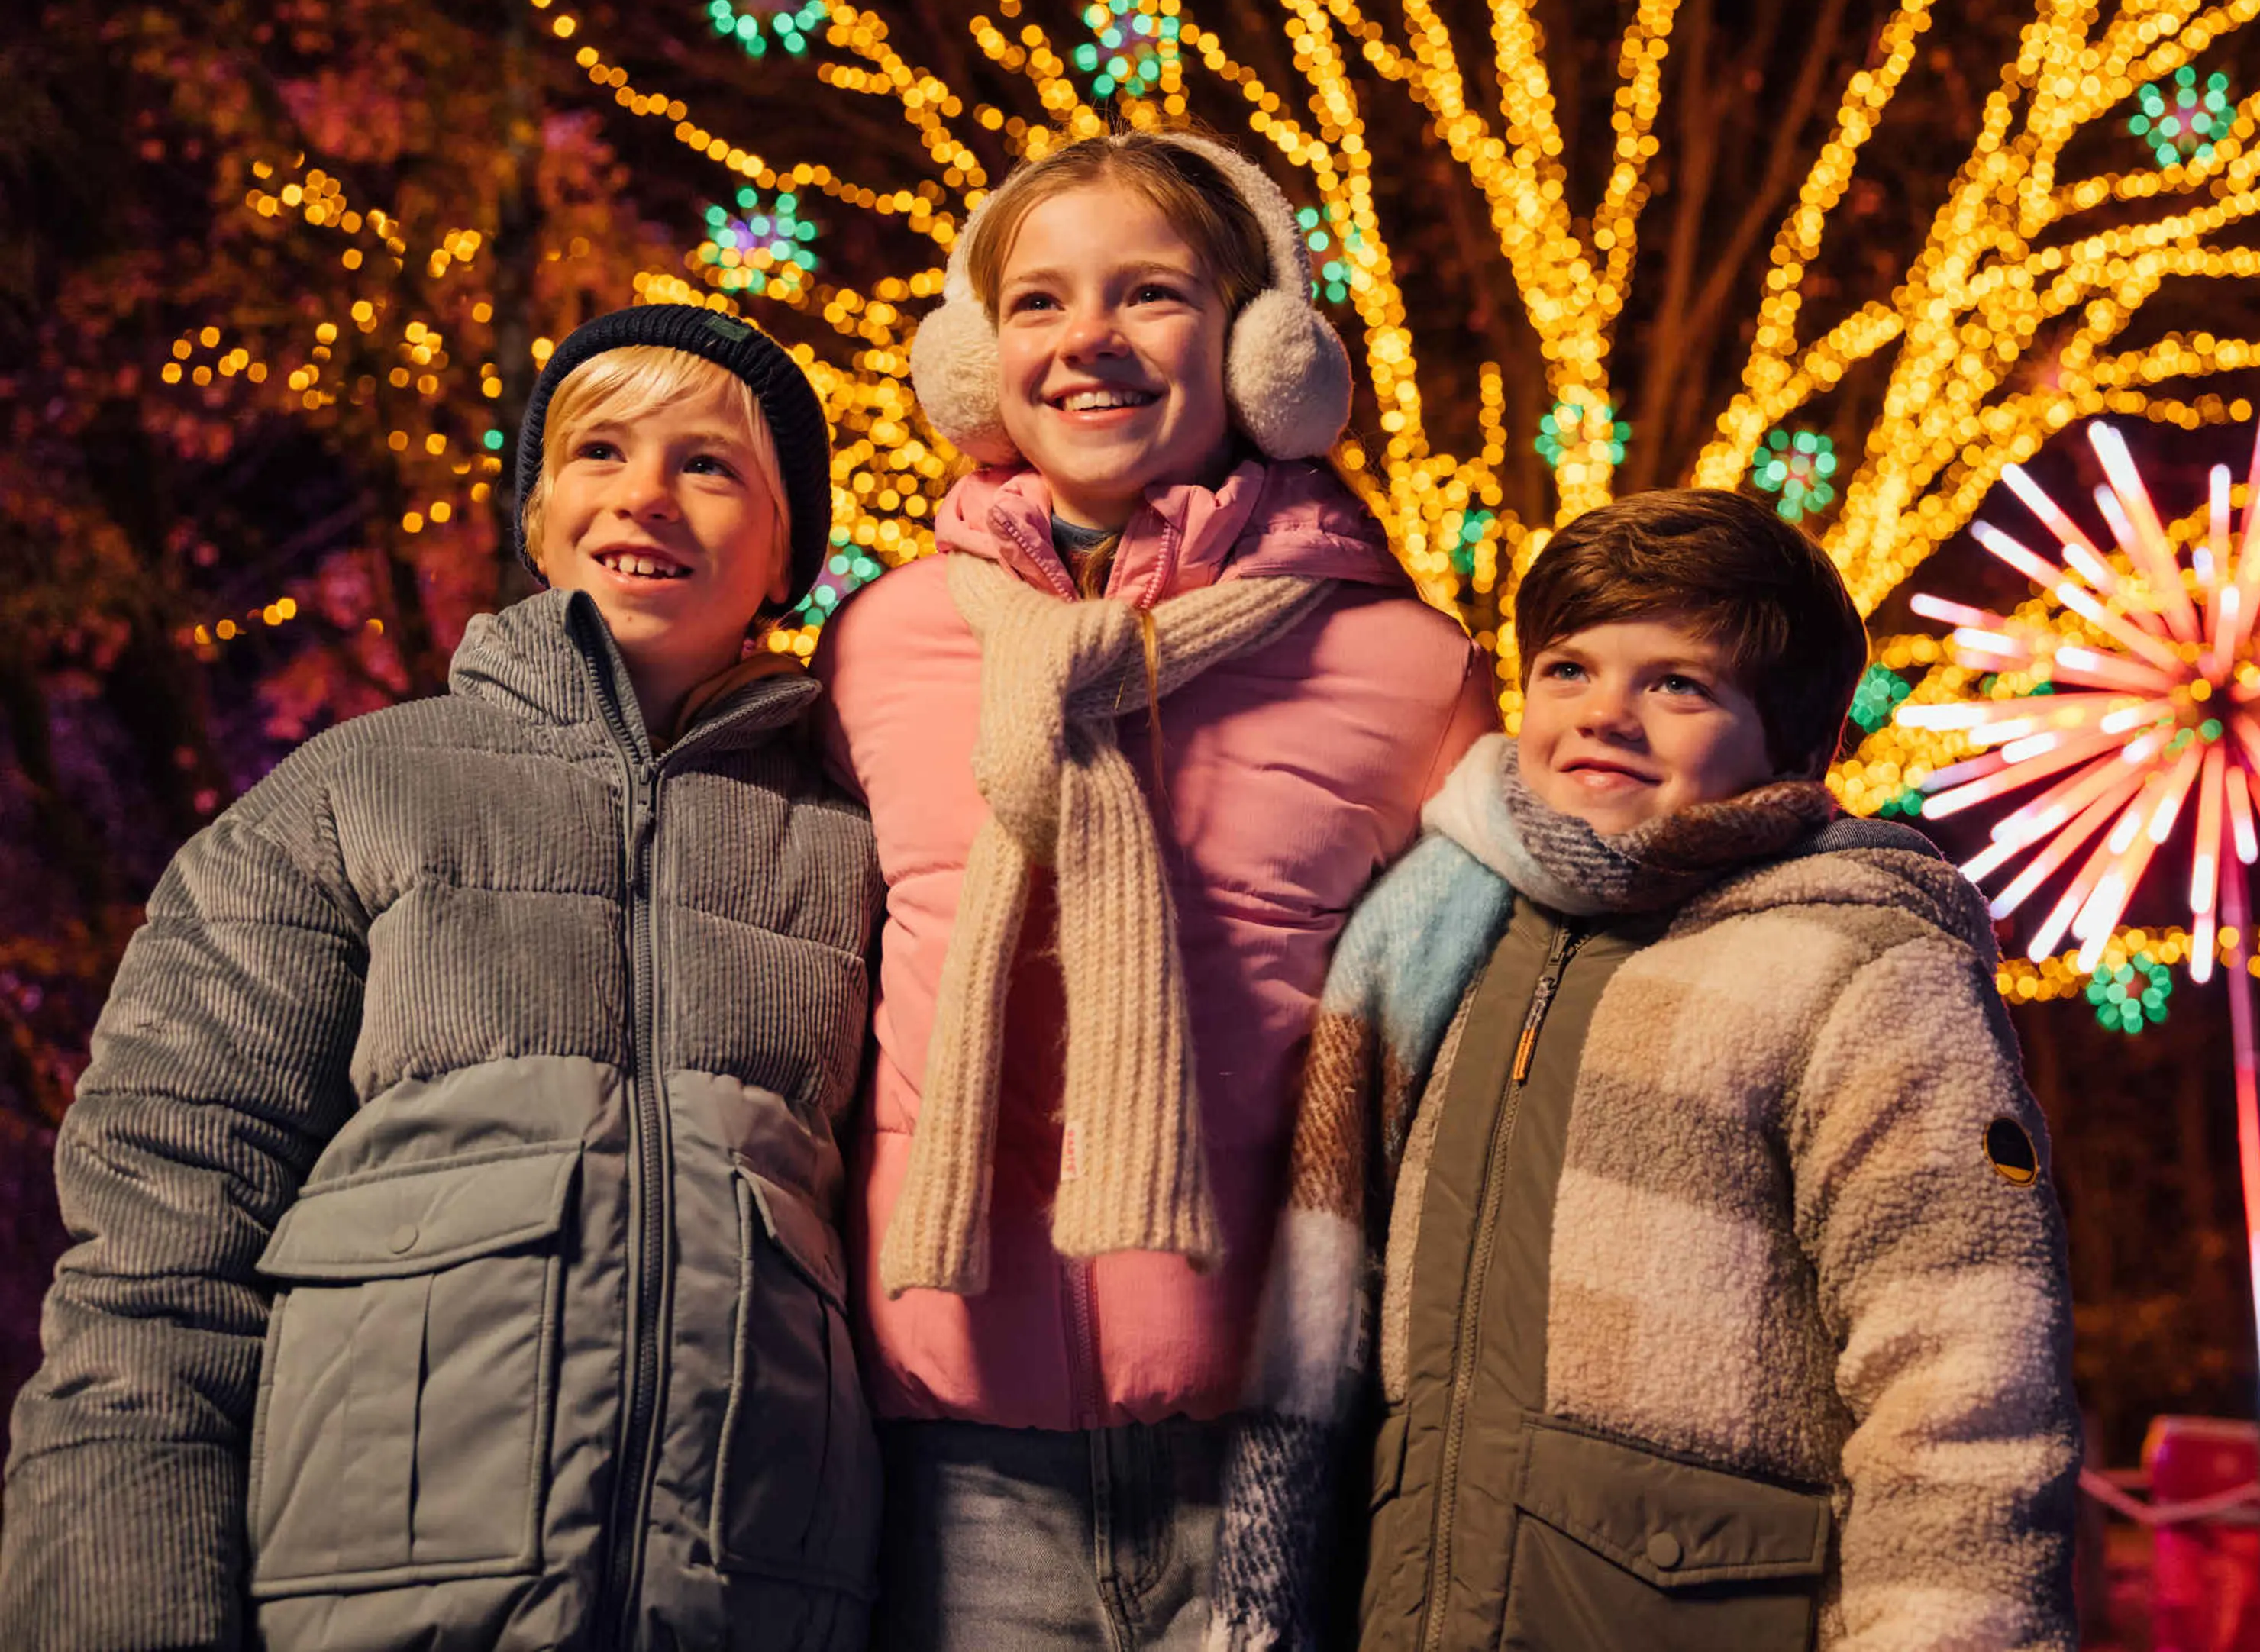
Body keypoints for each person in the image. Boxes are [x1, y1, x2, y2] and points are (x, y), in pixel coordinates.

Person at [0, 305, 885, 1652]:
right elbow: (158, 1259)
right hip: (367, 1606)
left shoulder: (858, 848)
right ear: (536, 520)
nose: (645, 491)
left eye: (712, 466)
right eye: (598, 449)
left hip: (754, 1607)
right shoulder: (351, 796)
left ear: (789, 557)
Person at [815, 130, 1491, 1650]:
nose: (1089, 342)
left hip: (1274, 1447)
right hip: (963, 1449)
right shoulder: (883, 646)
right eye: (1040, 303)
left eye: (1153, 295)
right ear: (979, 360)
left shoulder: (1405, 665)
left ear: (1265, 350)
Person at [1333, 488, 2080, 1652]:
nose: (1605, 715)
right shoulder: (1444, 936)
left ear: (1789, 741)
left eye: (1677, 683)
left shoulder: (1864, 970)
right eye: (1568, 669)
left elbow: (1964, 1390)